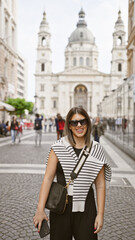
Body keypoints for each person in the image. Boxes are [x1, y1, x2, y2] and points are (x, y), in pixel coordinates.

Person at [33, 107, 111, 240]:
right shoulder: (57, 147)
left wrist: (100, 214)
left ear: (88, 123)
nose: (79, 125)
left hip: (87, 207)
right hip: (61, 207)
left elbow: (100, 184)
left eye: (82, 121)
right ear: (69, 125)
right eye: (74, 122)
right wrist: (40, 210)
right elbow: (48, 179)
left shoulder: (96, 149)